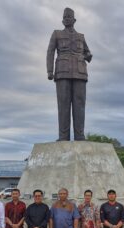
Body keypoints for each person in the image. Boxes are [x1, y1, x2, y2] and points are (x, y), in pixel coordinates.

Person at [46, 7, 93, 141]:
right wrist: (50, 71)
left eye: (69, 17)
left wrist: (88, 55)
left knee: (80, 105)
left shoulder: (81, 37)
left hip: (80, 73)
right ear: (62, 20)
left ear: (74, 20)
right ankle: (63, 137)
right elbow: (50, 52)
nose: (66, 19)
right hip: (62, 72)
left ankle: (80, 136)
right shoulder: (56, 34)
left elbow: (87, 52)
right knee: (63, 105)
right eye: (64, 17)